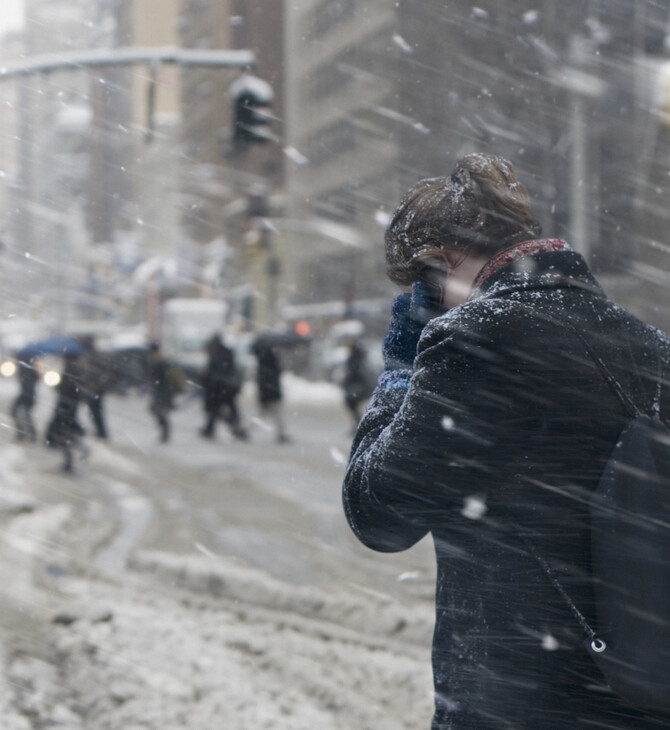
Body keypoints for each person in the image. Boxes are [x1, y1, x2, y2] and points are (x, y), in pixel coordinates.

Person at [342, 153, 670, 729]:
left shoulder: (477, 341)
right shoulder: (651, 347)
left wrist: (399, 368)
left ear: (439, 264)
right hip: (639, 692)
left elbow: (378, 513)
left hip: (521, 703)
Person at [199, 334, 247, 440]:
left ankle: (230, 428)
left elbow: (215, 371)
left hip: (219, 388)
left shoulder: (216, 354)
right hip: (226, 387)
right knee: (225, 410)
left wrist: (207, 377)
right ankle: (234, 428)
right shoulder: (225, 352)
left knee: (215, 410)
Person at [45, 354, 87, 472]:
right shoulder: (75, 371)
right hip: (68, 408)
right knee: (66, 434)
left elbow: (65, 389)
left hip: (65, 407)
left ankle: (71, 462)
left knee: (64, 435)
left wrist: (57, 384)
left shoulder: (70, 371)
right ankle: (70, 461)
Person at [252, 340, 290, 444]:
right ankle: (281, 434)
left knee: (263, 415)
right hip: (272, 394)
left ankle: (246, 430)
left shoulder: (262, 363)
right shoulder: (271, 362)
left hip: (267, 394)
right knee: (275, 415)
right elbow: (276, 375)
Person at [341, 338, 373, 431]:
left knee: (352, 404)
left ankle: (359, 425)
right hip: (356, 386)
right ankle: (359, 425)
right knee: (352, 405)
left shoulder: (356, 358)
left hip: (358, 386)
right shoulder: (356, 357)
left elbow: (357, 373)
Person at [147, 343, 174, 443]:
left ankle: (165, 434)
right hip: (160, 392)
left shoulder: (160, 363)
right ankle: (164, 433)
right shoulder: (158, 362)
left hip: (162, 392)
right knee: (159, 413)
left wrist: (161, 391)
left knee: (160, 413)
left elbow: (164, 380)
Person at [11, 357, 39, 442]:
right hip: (28, 394)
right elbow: (36, 379)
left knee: (18, 412)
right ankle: (29, 434)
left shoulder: (25, 368)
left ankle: (24, 434)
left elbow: (27, 382)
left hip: (27, 394)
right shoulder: (31, 368)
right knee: (25, 414)